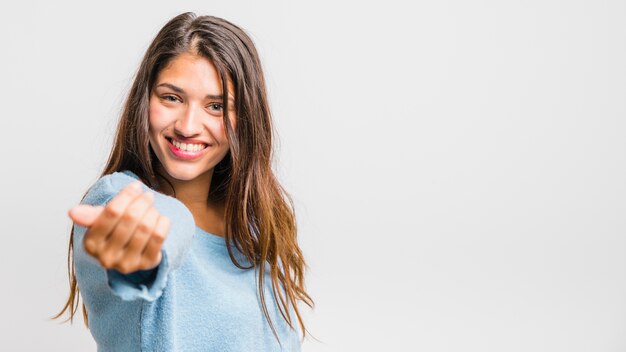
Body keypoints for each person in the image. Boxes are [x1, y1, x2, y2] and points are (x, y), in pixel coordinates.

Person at [53, 12, 314, 351]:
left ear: (246, 118)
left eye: (216, 106)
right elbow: (167, 224)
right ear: (144, 101)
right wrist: (140, 254)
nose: (189, 125)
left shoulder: (253, 226)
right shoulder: (118, 198)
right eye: (171, 97)